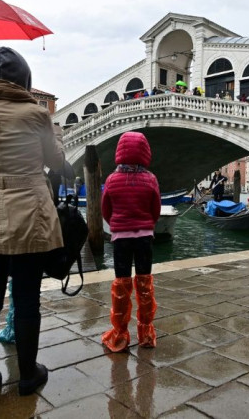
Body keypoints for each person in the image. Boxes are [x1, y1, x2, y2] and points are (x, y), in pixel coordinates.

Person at [0, 47, 65, 402]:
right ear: (25, 80)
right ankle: (27, 376)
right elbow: (56, 161)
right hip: (30, 214)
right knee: (26, 298)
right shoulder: (37, 114)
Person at [101, 132, 161, 352]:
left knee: (122, 285)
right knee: (145, 284)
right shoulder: (151, 179)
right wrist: (146, 224)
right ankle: (145, 332)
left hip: (121, 239)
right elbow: (155, 210)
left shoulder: (111, 180)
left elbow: (106, 210)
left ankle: (120, 334)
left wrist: (118, 225)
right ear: (145, 152)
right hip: (144, 237)